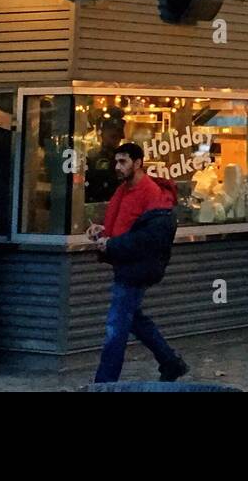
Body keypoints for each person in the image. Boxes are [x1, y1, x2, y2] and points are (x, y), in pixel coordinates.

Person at [90, 143, 185, 384]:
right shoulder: (123, 190)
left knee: (116, 327)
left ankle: (104, 384)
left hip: (137, 267)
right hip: (125, 262)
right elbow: (127, 226)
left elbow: (146, 238)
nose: (117, 167)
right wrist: (102, 232)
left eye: (123, 162)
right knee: (132, 319)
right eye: (116, 162)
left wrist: (111, 245)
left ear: (138, 163)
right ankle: (170, 362)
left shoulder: (150, 193)